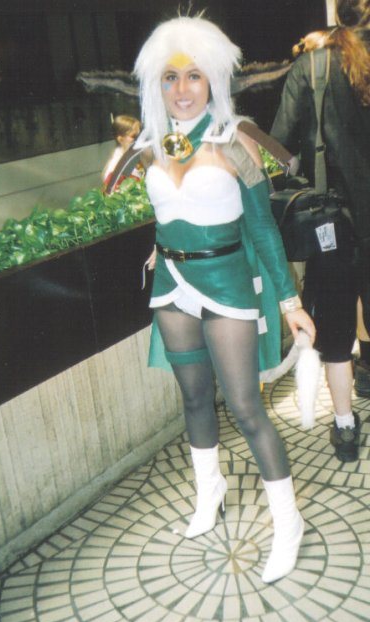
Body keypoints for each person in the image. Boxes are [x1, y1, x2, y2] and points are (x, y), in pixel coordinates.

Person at [133, 14, 315, 584]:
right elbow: (169, 211)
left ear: (213, 78)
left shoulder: (237, 140)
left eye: (193, 75)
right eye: (170, 77)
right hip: (172, 285)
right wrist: (161, 246)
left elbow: (261, 228)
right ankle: (208, 492)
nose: (182, 89)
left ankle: (288, 523)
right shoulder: (150, 143)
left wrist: (290, 304)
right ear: (157, 84)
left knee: (245, 408)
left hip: (228, 285)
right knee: (193, 399)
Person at [271, 0, 370, 464]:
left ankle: (345, 427)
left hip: (333, 221)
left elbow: (279, 143)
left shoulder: (311, 66)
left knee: (333, 332)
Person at [102, 114, 143, 188]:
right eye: (134, 136)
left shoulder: (136, 156)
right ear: (121, 139)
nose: (138, 140)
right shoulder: (115, 168)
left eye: (139, 135)